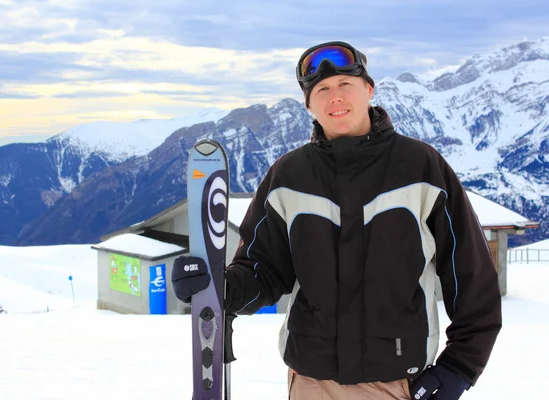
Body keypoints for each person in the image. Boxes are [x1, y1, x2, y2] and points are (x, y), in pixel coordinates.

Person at [172, 40, 502, 400]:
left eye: (346, 84)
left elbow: (473, 278)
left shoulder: (422, 167)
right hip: (312, 384)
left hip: (395, 384)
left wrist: (459, 367)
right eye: (322, 90)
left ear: (369, 90)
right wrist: (217, 288)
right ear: (308, 104)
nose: (335, 98)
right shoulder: (289, 175)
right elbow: (262, 270)